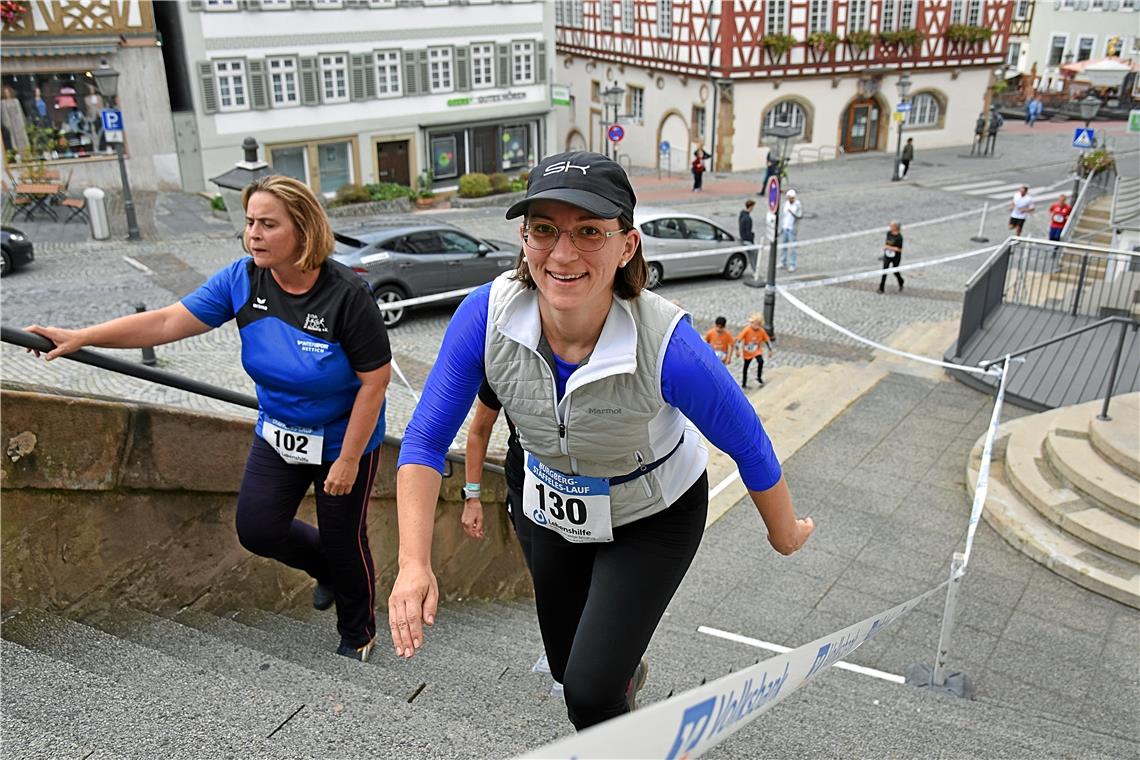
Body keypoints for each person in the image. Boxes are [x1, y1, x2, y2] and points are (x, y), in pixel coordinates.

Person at [388, 150, 813, 732]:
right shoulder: (484, 317)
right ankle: (621, 676)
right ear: (524, 238)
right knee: (568, 669)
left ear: (627, 246)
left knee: (588, 694)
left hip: (651, 515)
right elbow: (422, 443)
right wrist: (414, 562)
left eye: (590, 231)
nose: (563, 254)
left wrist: (783, 531)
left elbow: (750, 443)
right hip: (547, 502)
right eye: (544, 230)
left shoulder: (669, 346)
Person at [25, 175, 392, 662]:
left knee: (347, 540)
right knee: (258, 528)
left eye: (267, 224)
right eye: (249, 223)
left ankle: (358, 629)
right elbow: (165, 321)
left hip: (344, 439)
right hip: (279, 429)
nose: (253, 234)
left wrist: (347, 460)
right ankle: (327, 566)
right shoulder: (243, 279)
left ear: (303, 231)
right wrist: (82, 336)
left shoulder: (347, 294)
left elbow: (375, 381)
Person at [737, 313, 773, 388]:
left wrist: (770, 350)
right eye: (755, 324)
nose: (756, 326)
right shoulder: (747, 330)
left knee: (761, 361)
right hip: (748, 352)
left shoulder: (761, 331)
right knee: (746, 367)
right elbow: (739, 339)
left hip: (757, 350)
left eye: (758, 324)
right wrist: (737, 350)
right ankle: (744, 382)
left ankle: (759, 377)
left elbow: (767, 340)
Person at [779, 189, 803, 272]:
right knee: (784, 246)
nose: (791, 199)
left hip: (792, 229)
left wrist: (792, 212)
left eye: (793, 198)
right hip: (785, 227)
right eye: (790, 198)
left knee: (793, 248)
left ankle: (792, 264)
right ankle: (783, 261)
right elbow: (783, 216)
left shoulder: (798, 205)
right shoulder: (785, 204)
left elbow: (799, 216)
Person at [879, 220, 905, 294]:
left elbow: (899, 249)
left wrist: (890, 248)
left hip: (896, 257)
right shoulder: (889, 233)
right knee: (884, 270)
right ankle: (881, 287)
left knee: (895, 271)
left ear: (895, 227)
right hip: (887, 255)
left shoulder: (899, 237)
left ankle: (900, 280)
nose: (890, 227)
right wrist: (886, 247)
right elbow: (887, 242)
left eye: (891, 226)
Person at [739, 198, 757, 274]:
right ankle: (755, 270)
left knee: (749, 255)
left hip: (743, 238)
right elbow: (747, 231)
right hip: (747, 240)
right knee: (753, 255)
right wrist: (751, 237)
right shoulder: (748, 218)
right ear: (751, 207)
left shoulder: (742, 215)